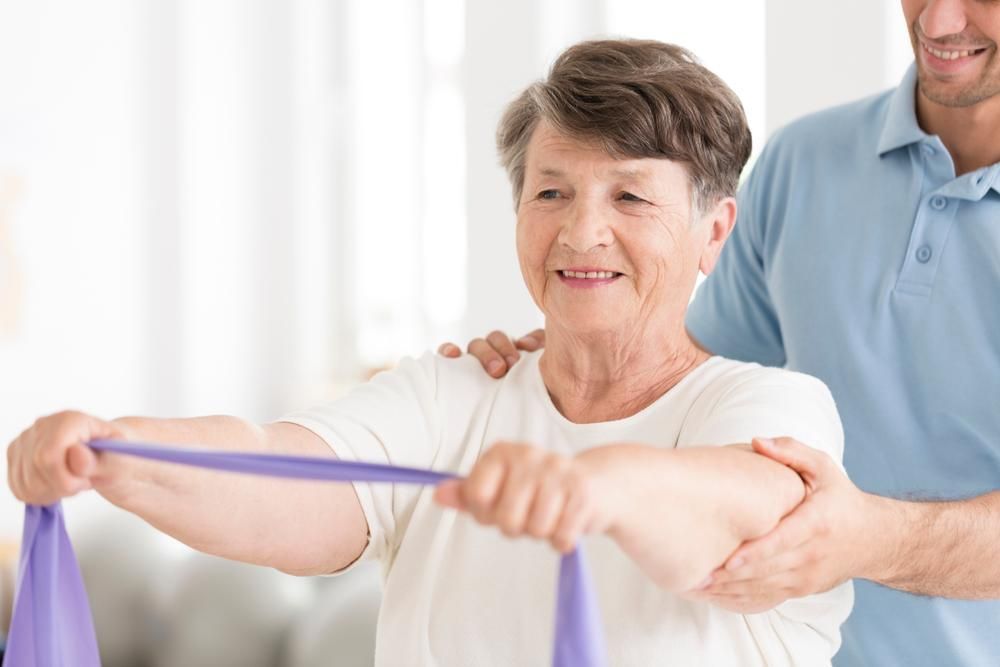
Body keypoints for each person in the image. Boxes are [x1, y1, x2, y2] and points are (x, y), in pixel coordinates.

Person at [7, 40, 853, 665]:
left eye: (630, 195)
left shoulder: (767, 406)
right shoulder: (454, 393)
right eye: (549, 191)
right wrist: (109, 452)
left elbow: (742, 516)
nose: (581, 230)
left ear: (715, 231)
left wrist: (592, 486)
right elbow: (278, 473)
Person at [448, 1, 1000, 664]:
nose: (938, 24)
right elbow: (687, 374)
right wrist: (558, 355)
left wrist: (869, 538)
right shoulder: (804, 162)